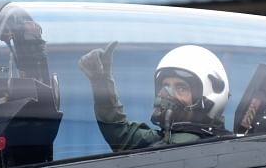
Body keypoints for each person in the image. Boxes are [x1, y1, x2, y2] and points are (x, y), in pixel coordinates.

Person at [78, 42, 231, 152]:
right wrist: (101, 82)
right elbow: (120, 134)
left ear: (209, 97)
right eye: (165, 86)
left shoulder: (224, 150)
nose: (167, 94)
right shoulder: (164, 139)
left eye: (181, 88)